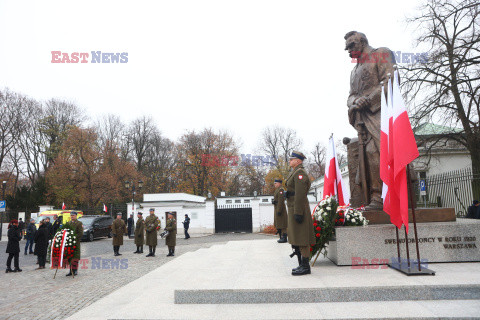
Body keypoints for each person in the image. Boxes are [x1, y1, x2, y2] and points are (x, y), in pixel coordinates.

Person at [345, 31, 396, 209]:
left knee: (375, 151)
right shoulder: (354, 71)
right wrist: (354, 102)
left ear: (363, 42)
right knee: (363, 155)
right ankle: (369, 197)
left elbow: (391, 80)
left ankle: (381, 197)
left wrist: (369, 98)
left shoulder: (381, 54)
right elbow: (351, 96)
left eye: (351, 45)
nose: (348, 50)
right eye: (347, 48)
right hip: (363, 119)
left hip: (382, 114)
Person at [285, 151, 315, 276]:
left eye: (292, 159)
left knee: (302, 237)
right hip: (294, 207)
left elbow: (300, 194)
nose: (290, 161)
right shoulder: (295, 172)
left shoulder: (300, 173)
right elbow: (294, 190)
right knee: (297, 236)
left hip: (299, 208)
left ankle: (305, 266)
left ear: (298, 161)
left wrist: (298, 212)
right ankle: (301, 264)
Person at [65, 211, 83, 276]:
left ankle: (75, 270)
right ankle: (70, 271)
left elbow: (80, 233)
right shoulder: (68, 223)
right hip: (69, 243)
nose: (72, 216)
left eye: (73, 215)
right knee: (70, 257)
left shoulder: (79, 223)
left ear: (76, 216)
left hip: (76, 243)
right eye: (71, 215)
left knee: (75, 257)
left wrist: (73, 237)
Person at [273, 178, 288, 243]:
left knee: (282, 223)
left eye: (275, 183)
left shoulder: (281, 190)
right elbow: (277, 199)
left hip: (280, 209)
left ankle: (284, 237)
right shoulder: (277, 190)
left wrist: (279, 210)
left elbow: (281, 201)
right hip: (277, 208)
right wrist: (274, 202)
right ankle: (281, 236)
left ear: (279, 183)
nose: (274, 184)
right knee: (279, 223)